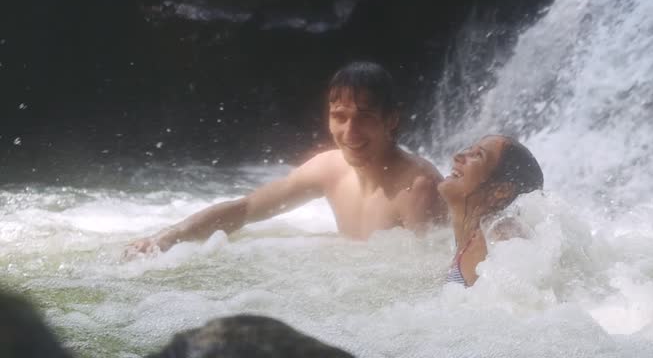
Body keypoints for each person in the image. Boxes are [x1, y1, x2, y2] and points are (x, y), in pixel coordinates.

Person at [126, 62, 445, 256]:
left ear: (391, 119)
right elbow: (247, 209)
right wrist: (168, 237)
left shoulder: (418, 187)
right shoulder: (329, 168)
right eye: (339, 117)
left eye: (364, 118)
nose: (350, 132)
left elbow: (438, 274)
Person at [439, 135, 543, 286]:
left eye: (478, 155)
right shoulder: (472, 236)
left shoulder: (501, 235)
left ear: (501, 190)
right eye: (469, 150)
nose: (458, 156)